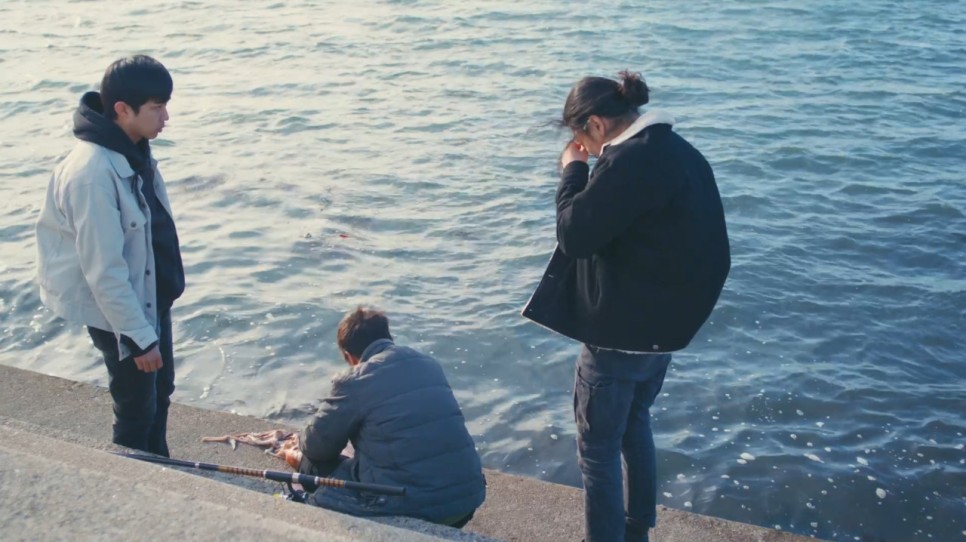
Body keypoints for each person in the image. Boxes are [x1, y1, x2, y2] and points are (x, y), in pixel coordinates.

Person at [522, 70, 730, 542]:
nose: (584, 148)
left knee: (596, 449)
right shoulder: (683, 155)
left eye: (580, 138)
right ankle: (637, 530)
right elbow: (716, 253)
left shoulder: (630, 162)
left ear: (595, 124)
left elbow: (575, 236)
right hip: (662, 335)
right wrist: (679, 323)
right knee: (636, 424)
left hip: (619, 338)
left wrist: (573, 172)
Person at [35, 55, 184, 457]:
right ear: (122, 109)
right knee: (136, 407)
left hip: (150, 294)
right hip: (120, 309)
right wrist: (138, 337)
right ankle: (135, 485)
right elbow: (104, 271)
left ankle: (161, 470)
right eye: (157, 107)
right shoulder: (91, 173)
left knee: (161, 391)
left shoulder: (133, 148)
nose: (166, 116)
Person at [284, 306, 486, 527]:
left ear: (348, 356)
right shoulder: (428, 364)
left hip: (411, 509)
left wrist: (300, 448)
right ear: (388, 337)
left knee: (311, 463)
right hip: (466, 502)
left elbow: (316, 447)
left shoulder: (355, 380)